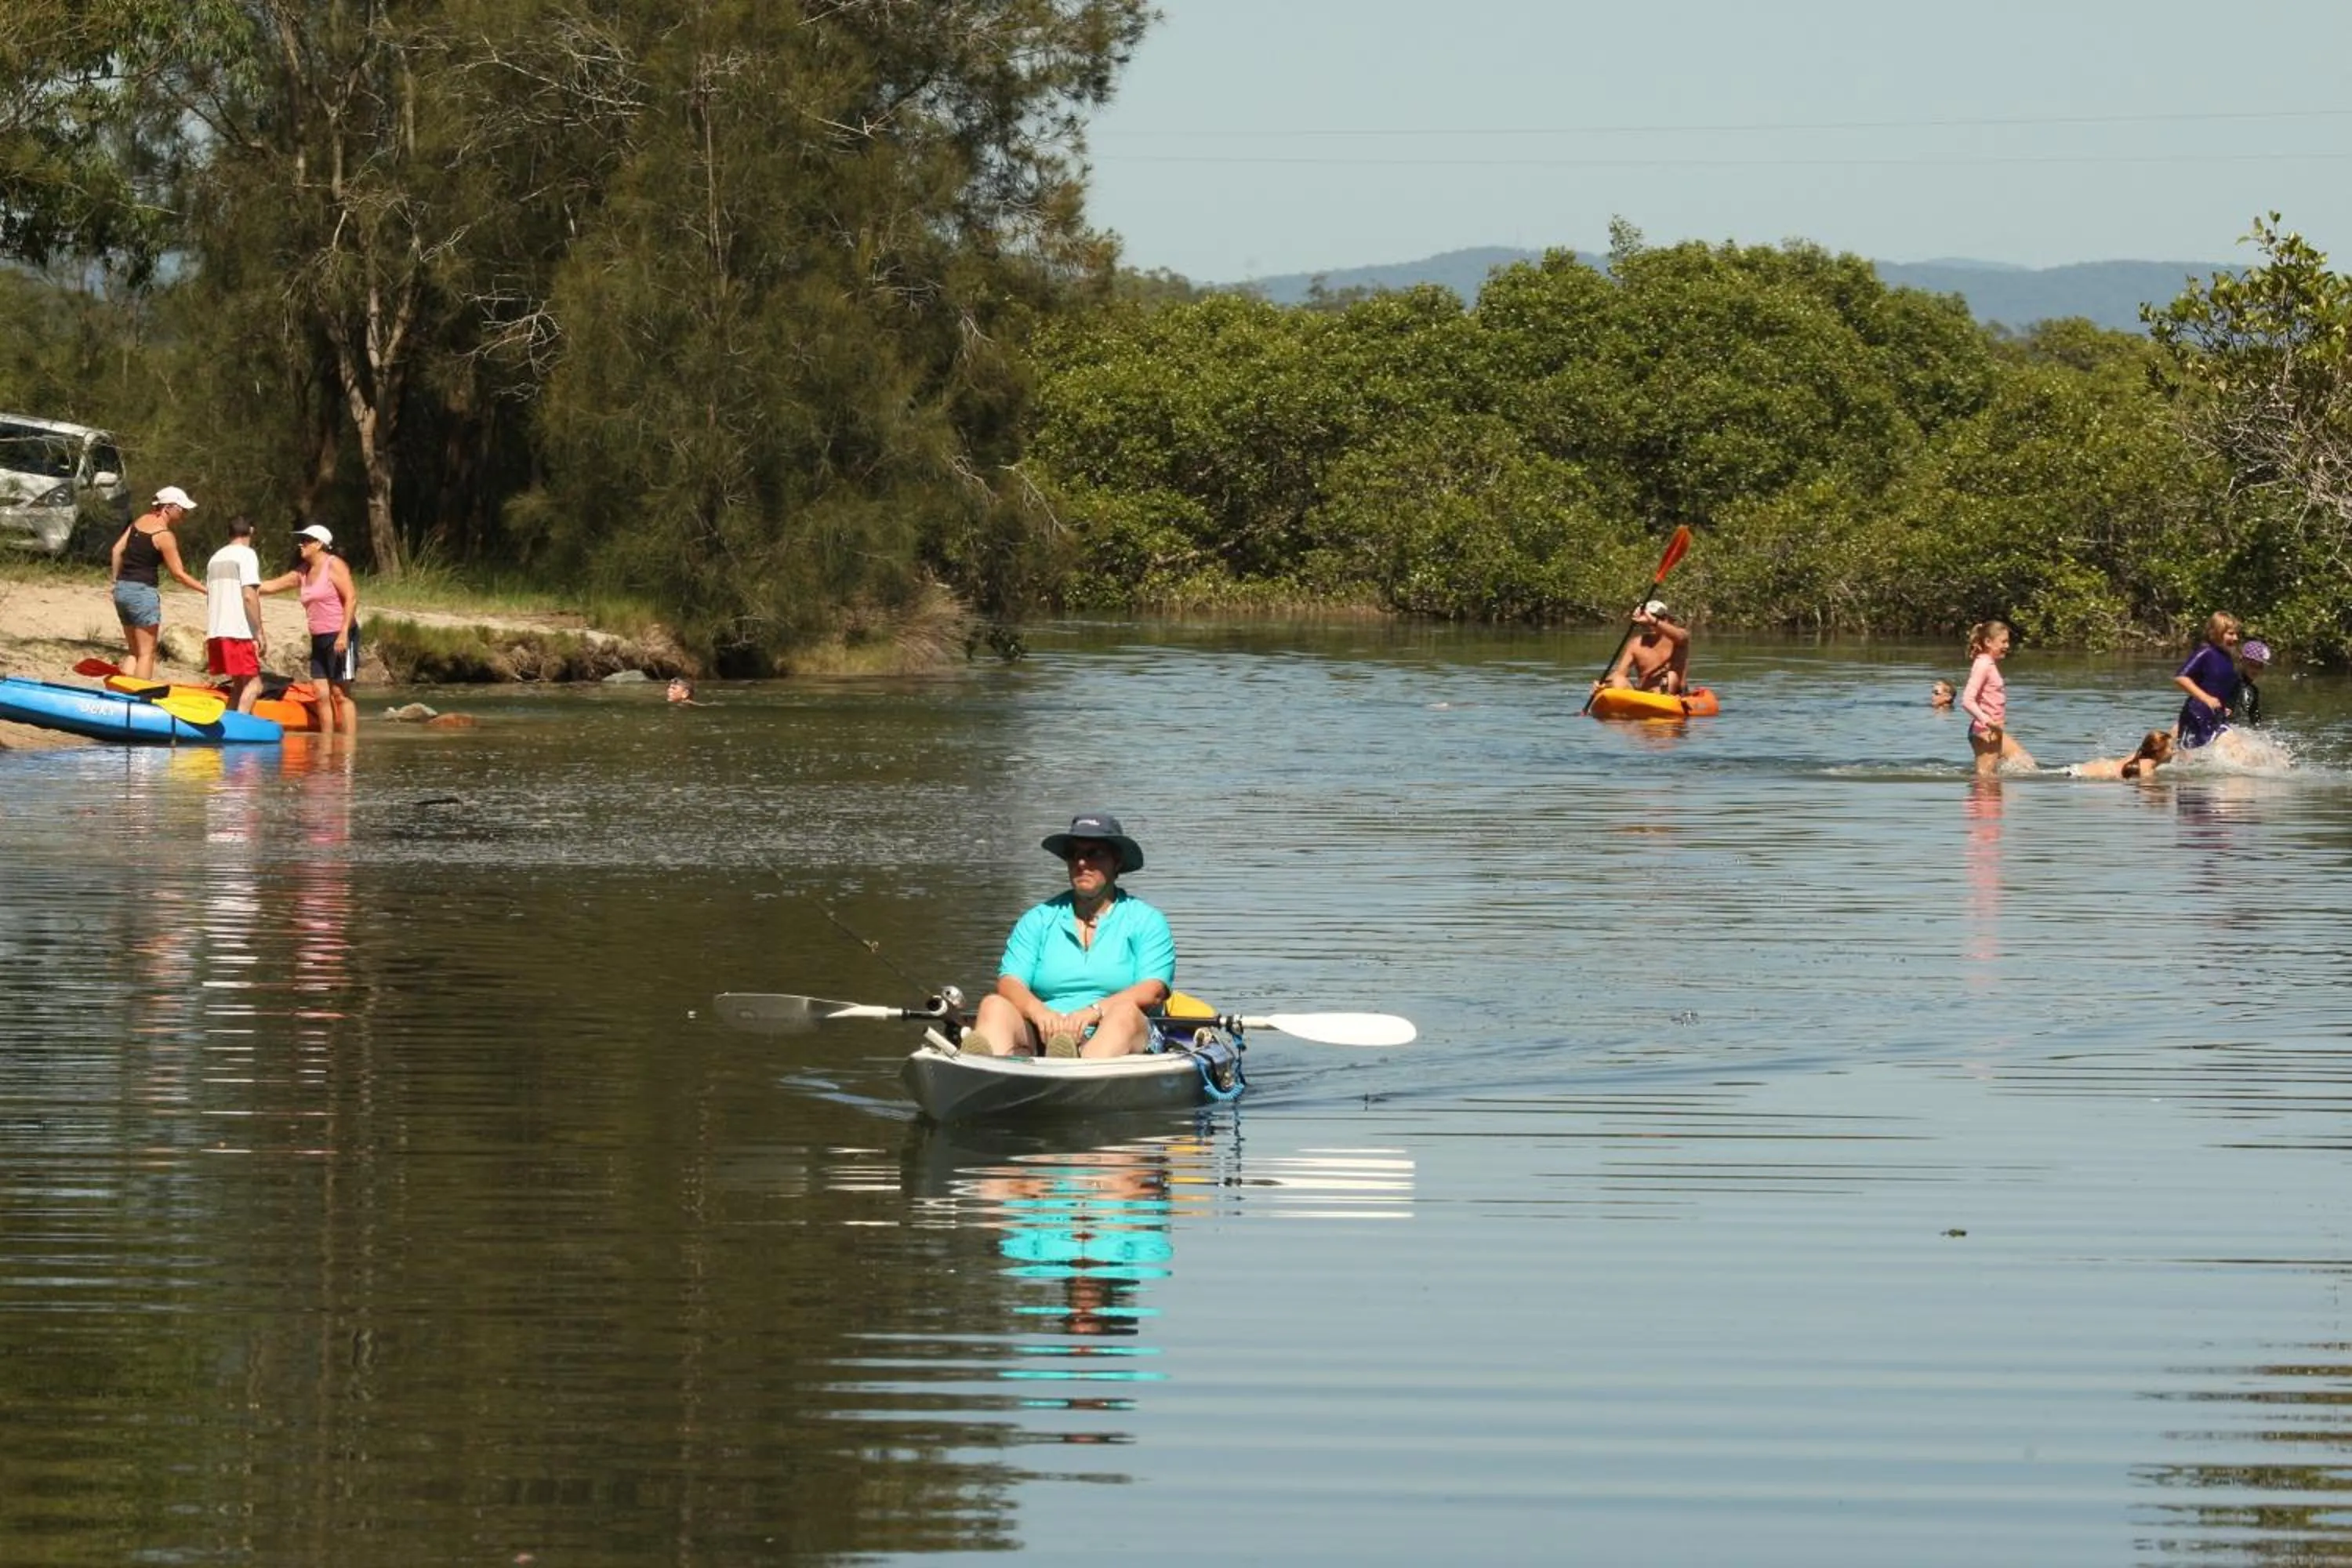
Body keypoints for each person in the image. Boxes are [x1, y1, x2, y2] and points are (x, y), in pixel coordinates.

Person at [963, 812, 1176, 1060]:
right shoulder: (1039, 919)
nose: (1082, 863)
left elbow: (1153, 990)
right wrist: (1040, 1013)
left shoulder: (1146, 920)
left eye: (1094, 853)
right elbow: (1010, 983)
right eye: (1074, 854)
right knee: (993, 1005)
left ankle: (1077, 1068)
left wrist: (1093, 1012)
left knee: (1125, 1013)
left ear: (1117, 862)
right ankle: (987, 1071)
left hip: (1118, 1034)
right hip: (1045, 1034)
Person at [260, 524, 361, 739]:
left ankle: (349, 748)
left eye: (306, 540)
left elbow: (351, 598)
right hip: (319, 638)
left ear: (319, 544)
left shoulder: (334, 565)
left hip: (340, 635)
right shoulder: (302, 572)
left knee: (340, 694)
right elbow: (270, 586)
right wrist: (240, 586)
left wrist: (343, 633)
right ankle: (327, 743)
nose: (301, 544)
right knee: (321, 694)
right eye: (302, 540)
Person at [107, 485, 207, 680]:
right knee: (147, 654)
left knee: (133, 651)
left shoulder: (139, 522)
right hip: (143, 594)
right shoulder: (164, 535)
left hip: (122, 590)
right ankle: (137, 698)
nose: (184, 513)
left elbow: (116, 550)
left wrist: (116, 580)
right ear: (168, 507)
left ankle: (120, 694)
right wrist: (206, 590)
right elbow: (178, 574)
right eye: (182, 509)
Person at [202, 514, 269, 713]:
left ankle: (228, 726)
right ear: (251, 532)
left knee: (239, 684)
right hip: (238, 632)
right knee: (255, 685)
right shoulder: (247, 555)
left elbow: (210, 596)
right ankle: (240, 731)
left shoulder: (215, 558)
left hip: (217, 630)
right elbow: (249, 595)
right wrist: (259, 631)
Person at [1958, 619, 2034, 776]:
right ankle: (1983, 800)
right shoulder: (1983, 664)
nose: (2007, 646)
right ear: (1988, 642)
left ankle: (1999, 797)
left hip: (1994, 729)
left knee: (2025, 763)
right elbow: (1967, 700)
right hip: (1985, 731)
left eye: (2008, 642)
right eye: (2003, 642)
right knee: (1985, 778)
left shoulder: (1989, 663)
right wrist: (1987, 721)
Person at [2172, 612, 2241, 752]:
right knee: (2190, 762)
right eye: (2231, 634)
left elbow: (2220, 684)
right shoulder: (2206, 652)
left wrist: (2227, 705)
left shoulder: (2226, 656)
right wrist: (2206, 699)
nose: (2236, 638)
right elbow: (2180, 678)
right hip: (2197, 716)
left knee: (2235, 750)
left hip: (2217, 716)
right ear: (2215, 633)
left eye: (2236, 634)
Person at [1593, 599, 1691, 695]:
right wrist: (1604, 683)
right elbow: (1620, 673)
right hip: (1645, 695)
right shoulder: (1635, 644)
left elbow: (1682, 637)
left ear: (1668, 620)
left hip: (1673, 694)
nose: (1650, 624)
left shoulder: (1679, 638)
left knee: (1670, 677)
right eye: (1648, 619)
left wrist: (1653, 621)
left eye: (1658, 618)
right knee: (1618, 680)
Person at [2066, 730, 2173, 780]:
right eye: (2171, 748)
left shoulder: (2138, 755)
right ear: (2159, 751)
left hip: (2078, 769)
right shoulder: (2147, 770)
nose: (2174, 751)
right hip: (2079, 776)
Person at [2229, 638, 2270, 726]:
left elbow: (2255, 720)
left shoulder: (2253, 691)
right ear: (2242, 661)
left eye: (2259, 666)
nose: (2255, 670)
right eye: (2251, 664)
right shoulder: (2230, 680)